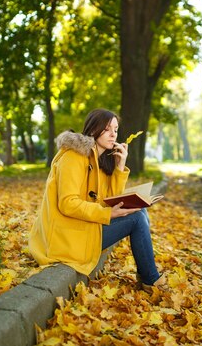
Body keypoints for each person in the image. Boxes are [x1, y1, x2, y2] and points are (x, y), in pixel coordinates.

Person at [28, 108, 167, 292]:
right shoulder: (73, 156)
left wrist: (120, 166)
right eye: (107, 129)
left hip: (82, 229)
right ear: (94, 129)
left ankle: (147, 276)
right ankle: (150, 280)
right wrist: (108, 213)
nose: (113, 134)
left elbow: (110, 199)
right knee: (137, 219)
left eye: (115, 130)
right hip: (65, 238)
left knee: (140, 211)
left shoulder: (99, 160)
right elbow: (67, 203)